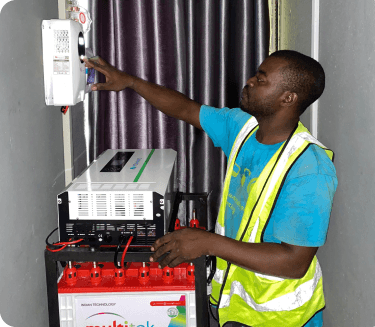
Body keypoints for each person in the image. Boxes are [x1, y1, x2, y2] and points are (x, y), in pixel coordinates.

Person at [85, 50, 337, 327]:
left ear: (288, 98)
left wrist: (207, 243)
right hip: (232, 307)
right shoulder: (243, 128)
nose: (250, 81)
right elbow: (185, 108)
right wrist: (131, 82)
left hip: (281, 318)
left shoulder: (309, 168)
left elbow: (294, 262)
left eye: (261, 79)